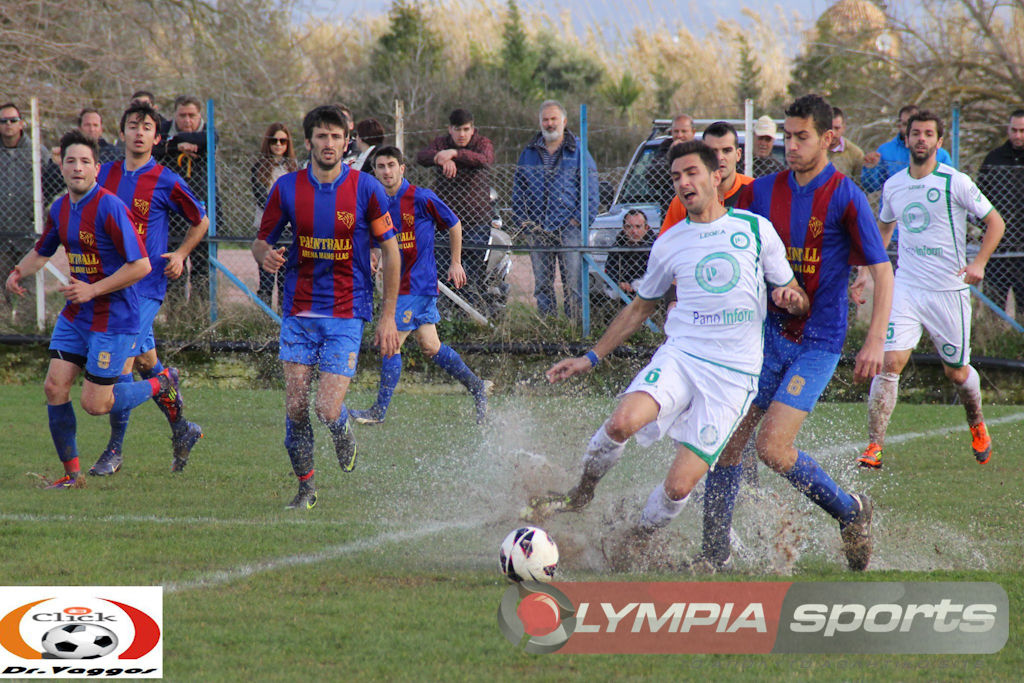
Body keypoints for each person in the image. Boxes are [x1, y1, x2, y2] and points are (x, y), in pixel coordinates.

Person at [527, 140, 810, 570]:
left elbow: (797, 296)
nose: (683, 182)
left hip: (734, 378)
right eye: (676, 176)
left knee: (679, 487)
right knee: (622, 421)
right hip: (681, 356)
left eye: (692, 172)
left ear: (717, 176)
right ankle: (580, 492)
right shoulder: (670, 242)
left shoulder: (755, 230)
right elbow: (641, 307)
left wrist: (792, 299)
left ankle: (637, 537)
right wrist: (591, 357)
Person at [4, 130, 180, 489]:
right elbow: (42, 250)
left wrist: (93, 289)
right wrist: (18, 271)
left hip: (115, 317)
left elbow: (141, 266)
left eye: (85, 161)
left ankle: (162, 382)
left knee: (96, 404)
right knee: (55, 388)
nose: (77, 167)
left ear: (97, 169)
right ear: (61, 166)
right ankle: (72, 476)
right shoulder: (60, 208)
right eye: (71, 160)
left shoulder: (111, 207)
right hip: (77, 314)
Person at [252, 104, 401, 511]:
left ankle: (341, 427)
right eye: (322, 136)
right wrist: (264, 254)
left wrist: (387, 316)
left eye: (336, 136)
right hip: (298, 313)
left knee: (325, 407)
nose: (329, 143)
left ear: (346, 140)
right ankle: (306, 489)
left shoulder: (365, 188)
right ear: (309, 141)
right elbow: (259, 241)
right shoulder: (286, 188)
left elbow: (391, 251)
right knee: (296, 406)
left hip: (346, 313)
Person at [857, 111, 1004, 469]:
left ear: (939, 142)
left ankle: (977, 422)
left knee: (956, 373)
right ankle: (874, 446)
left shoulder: (956, 182)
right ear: (905, 139)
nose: (921, 139)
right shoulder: (894, 186)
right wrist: (864, 272)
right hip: (906, 286)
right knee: (890, 364)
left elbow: (995, 222)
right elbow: (884, 233)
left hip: (947, 292)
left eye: (928, 134)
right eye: (915, 133)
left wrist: (979, 263)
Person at [90, 101, 210, 476]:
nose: (139, 132)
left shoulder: (167, 180)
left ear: (157, 138)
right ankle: (181, 427)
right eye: (133, 125)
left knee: (119, 370)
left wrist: (181, 253)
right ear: (122, 132)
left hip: (145, 287)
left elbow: (200, 219)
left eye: (147, 128)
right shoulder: (104, 174)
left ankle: (114, 451)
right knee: (146, 364)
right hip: (110, 285)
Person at [350, 146, 489, 425]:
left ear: (402, 169)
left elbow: (454, 223)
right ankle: (477, 387)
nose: (386, 171)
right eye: (381, 166)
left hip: (415, 284)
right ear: (375, 171)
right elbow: (376, 238)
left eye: (391, 165)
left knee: (390, 343)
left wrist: (455, 262)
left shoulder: (421, 197)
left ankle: (378, 412)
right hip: (401, 285)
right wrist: (372, 253)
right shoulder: (375, 201)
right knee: (431, 346)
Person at [511, 100, 598, 319]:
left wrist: (578, 221)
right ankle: (548, 327)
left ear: (564, 121)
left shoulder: (578, 151)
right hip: (537, 228)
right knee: (542, 285)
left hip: (570, 229)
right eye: (545, 120)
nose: (550, 124)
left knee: (574, 285)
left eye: (554, 119)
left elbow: (591, 192)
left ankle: (574, 329)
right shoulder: (529, 153)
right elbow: (518, 189)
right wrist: (523, 221)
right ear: (540, 122)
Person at [415, 108, 495, 308]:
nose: (462, 134)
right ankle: (446, 319)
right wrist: (439, 158)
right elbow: (421, 156)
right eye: (457, 129)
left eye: (466, 129)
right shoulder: (440, 143)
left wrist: (455, 154)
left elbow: (485, 159)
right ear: (450, 129)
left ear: (472, 129)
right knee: (443, 275)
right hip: (444, 224)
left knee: (474, 276)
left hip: (477, 222)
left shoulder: (482, 143)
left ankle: (473, 317)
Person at [163, 95, 215, 302]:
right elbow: (155, 146)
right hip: (172, 212)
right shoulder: (163, 129)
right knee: (174, 266)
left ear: (199, 116)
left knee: (202, 266)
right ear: (174, 115)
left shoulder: (208, 131)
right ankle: (176, 317)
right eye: (182, 115)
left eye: (192, 115)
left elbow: (209, 140)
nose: (187, 120)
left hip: (201, 211)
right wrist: (177, 146)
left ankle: (199, 315)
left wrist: (173, 144)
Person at [659, 121, 753, 235]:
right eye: (713, 151)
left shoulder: (754, 191)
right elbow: (667, 245)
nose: (720, 157)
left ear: (738, 154)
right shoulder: (685, 200)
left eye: (727, 150)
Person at [977, 110, 1024, 317]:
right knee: (991, 311)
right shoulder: (993, 159)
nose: (1017, 135)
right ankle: (989, 348)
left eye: (1022, 131)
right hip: (997, 250)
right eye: (1014, 130)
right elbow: (979, 199)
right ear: (1008, 129)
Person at [250, 123, 298, 309]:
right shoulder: (259, 168)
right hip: (267, 230)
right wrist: (283, 210)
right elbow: (262, 197)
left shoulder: (294, 168)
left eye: (283, 141)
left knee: (286, 279)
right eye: (274, 141)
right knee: (267, 279)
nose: (278, 145)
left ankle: (282, 317)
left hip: (288, 231)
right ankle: (264, 317)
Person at [861, 104, 953, 197]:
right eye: (906, 124)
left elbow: (950, 186)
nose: (909, 128)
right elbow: (870, 187)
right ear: (899, 125)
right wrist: (870, 170)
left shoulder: (941, 154)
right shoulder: (885, 151)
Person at [0, 102, 34, 312]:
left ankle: (29, 334)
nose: (9, 125)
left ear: (21, 123)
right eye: (3, 121)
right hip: (2, 236)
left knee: (27, 293)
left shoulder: (37, 152)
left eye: (13, 120)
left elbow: (51, 186)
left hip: (28, 236)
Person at [605, 209, 654, 294]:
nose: (634, 231)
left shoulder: (656, 245)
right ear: (624, 229)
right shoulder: (617, 245)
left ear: (646, 228)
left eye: (638, 226)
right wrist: (618, 283)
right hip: (624, 292)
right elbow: (610, 271)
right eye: (629, 227)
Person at [828, 107, 864, 179]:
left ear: (844, 128)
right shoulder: (812, 148)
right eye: (828, 128)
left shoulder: (855, 153)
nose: (833, 133)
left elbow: (859, 184)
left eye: (837, 128)